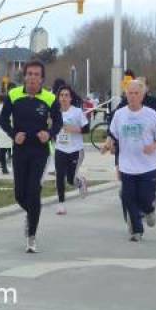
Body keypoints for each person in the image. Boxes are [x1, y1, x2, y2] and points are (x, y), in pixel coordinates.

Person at [0, 60, 62, 253]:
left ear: (42, 79)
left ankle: (31, 236)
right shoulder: (14, 95)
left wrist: (49, 134)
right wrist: (13, 134)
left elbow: (58, 122)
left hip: (40, 151)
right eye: (30, 74)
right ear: (24, 76)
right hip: (20, 149)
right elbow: (3, 120)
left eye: (37, 75)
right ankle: (32, 214)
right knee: (20, 194)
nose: (33, 78)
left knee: (33, 190)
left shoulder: (50, 98)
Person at [109, 80, 156, 242]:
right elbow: (112, 134)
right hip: (127, 166)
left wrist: (153, 147)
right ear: (126, 94)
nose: (133, 96)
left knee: (145, 199)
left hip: (147, 166)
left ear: (142, 95)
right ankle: (136, 230)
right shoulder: (120, 114)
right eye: (130, 93)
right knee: (128, 198)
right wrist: (109, 145)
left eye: (136, 93)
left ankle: (149, 210)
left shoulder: (151, 114)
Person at [55, 85, 90, 215]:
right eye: (61, 95)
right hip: (60, 148)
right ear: (58, 98)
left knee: (70, 179)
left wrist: (74, 129)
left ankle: (80, 182)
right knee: (59, 176)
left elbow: (87, 129)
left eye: (66, 95)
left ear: (70, 98)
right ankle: (61, 204)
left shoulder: (77, 112)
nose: (63, 98)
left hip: (75, 150)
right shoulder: (55, 112)